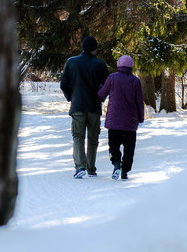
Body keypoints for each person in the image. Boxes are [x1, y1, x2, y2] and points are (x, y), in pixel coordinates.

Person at [60, 36, 110, 179]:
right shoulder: (100, 64)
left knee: (78, 136)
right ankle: (91, 168)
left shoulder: (71, 62)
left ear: (82, 47)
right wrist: (100, 98)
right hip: (94, 107)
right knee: (93, 138)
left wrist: (71, 97)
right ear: (94, 49)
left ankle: (80, 166)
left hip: (78, 106)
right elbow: (107, 85)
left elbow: (63, 83)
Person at [97, 55, 144, 180]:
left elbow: (102, 93)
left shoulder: (112, 78)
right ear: (131, 66)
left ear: (119, 65)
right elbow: (139, 102)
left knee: (114, 145)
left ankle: (116, 163)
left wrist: (97, 88)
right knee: (129, 148)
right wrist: (141, 118)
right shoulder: (135, 81)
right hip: (130, 121)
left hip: (114, 120)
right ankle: (125, 170)